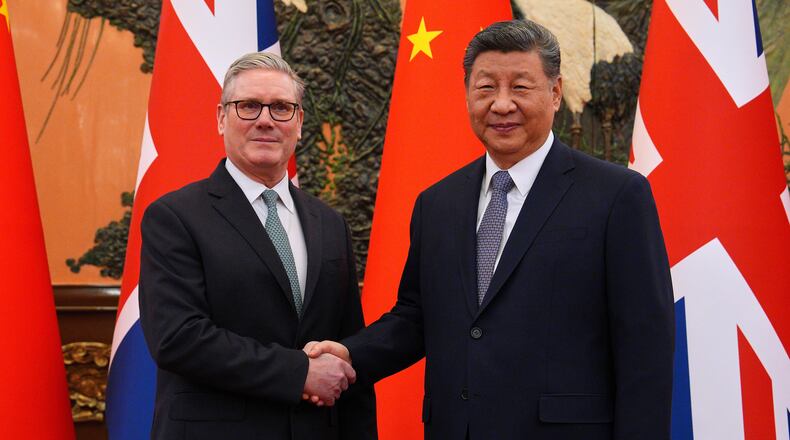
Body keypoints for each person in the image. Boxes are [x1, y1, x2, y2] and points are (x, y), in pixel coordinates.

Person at [306, 19, 674, 439]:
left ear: (555, 93)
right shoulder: (437, 203)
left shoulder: (616, 196)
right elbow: (416, 317)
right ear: (467, 94)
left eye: (520, 87)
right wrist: (349, 354)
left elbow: (645, 346)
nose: (501, 104)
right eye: (486, 88)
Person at [138, 51, 376, 440]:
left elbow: (347, 349)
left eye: (281, 108)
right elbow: (178, 338)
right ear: (221, 118)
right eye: (248, 106)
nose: (265, 120)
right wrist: (299, 373)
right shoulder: (174, 217)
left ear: (299, 123)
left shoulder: (330, 224)